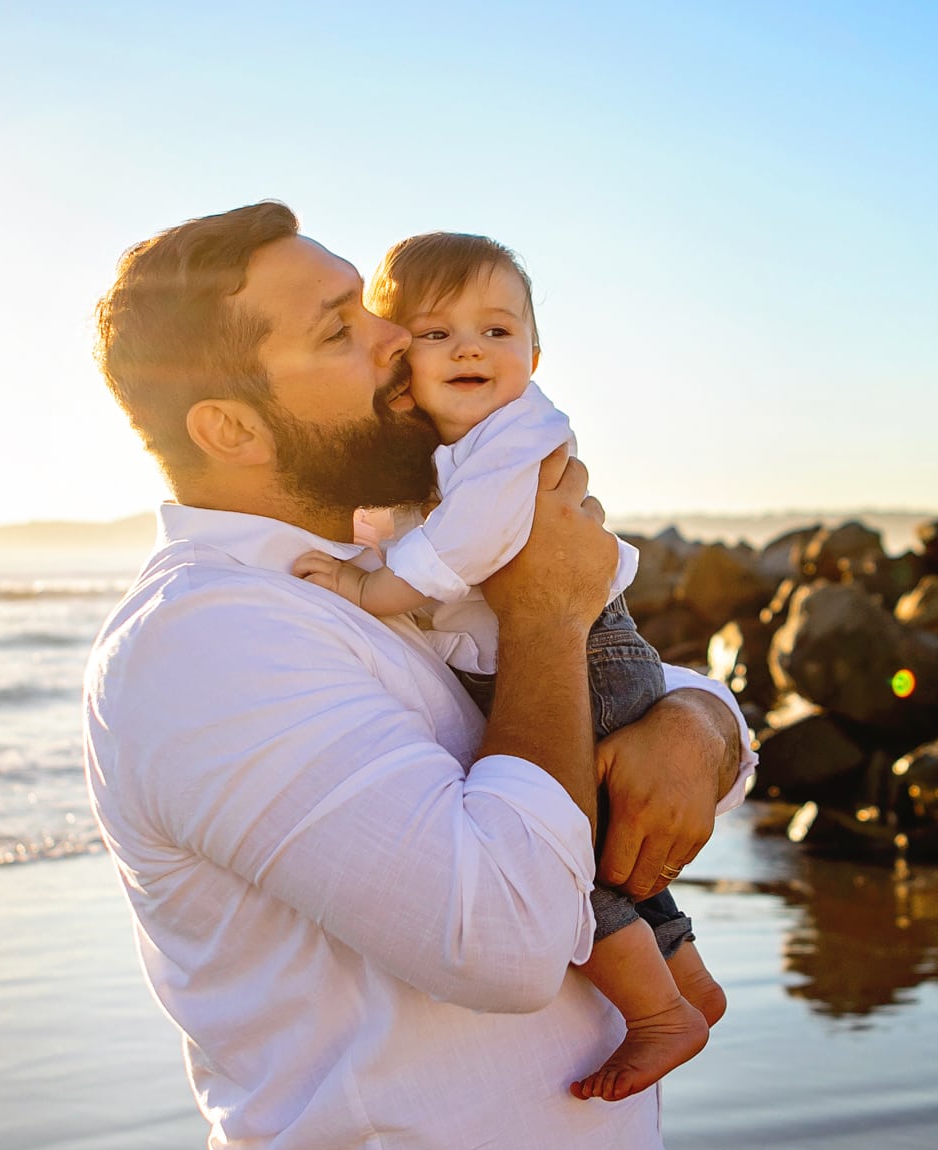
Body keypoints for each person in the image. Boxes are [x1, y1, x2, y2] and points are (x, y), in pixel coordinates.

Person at [84, 201, 753, 1150]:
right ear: (231, 428)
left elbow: (622, 698)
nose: (402, 338)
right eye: (342, 330)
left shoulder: (380, 562)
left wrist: (698, 727)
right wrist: (544, 609)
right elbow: (504, 936)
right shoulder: (208, 641)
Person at [291, 232, 723, 1103]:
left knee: (569, 863)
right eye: (437, 332)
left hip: (591, 658)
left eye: (496, 332)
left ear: (534, 352)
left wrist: (369, 587)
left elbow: (473, 534)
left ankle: (659, 1012)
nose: (470, 350)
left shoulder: (517, 436)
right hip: (580, 651)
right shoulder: (442, 442)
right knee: (602, 844)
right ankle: (688, 979)